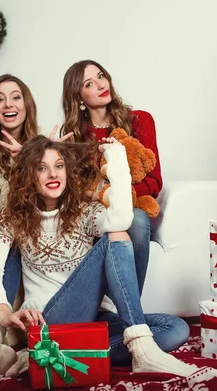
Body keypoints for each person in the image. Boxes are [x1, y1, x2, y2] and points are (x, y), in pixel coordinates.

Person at [0, 135, 193, 377]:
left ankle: (46, 355)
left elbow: (122, 218)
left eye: (59, 166)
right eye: (42, 168)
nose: (53, 174)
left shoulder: (84, 212)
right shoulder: (14, 220)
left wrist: (117, 159)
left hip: (95, 317)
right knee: (116, 234)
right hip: (52, 318)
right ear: (29, 175)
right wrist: (4, 315)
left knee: (175, 328)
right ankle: (140, 349)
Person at [0, 74, 71, 374]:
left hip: (19, 224)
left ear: (26, 103)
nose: (8, 104)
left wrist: (30, 158)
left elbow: (47, 191)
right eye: (0, 98)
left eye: (15, 97)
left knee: (8, 250)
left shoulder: (39, 140)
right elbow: (0, 203)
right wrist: (23, 166)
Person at [61, 60, 162, 295]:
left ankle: (128, 308)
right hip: (95, 210)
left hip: (132, 205)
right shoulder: (73, 135)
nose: (100, 84)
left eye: (101, 76)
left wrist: (119, 194)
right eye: (89, 83)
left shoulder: (140, 121)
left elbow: (154, 182)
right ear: (78, 98)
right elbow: (73, 189)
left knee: (136, 219)